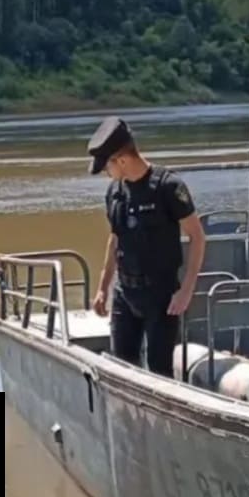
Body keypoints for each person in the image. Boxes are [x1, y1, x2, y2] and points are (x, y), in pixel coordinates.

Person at [86, 116, 206, 378]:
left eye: (107, 166)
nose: (106, 173)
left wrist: (186, 291)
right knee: (122, 369)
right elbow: (115, 239)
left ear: (121, 160)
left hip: (160, 296)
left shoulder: (168, 187)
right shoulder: (115, 192)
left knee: (159, 371)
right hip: (125, 292)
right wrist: (103, 288)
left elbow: (197, 237)